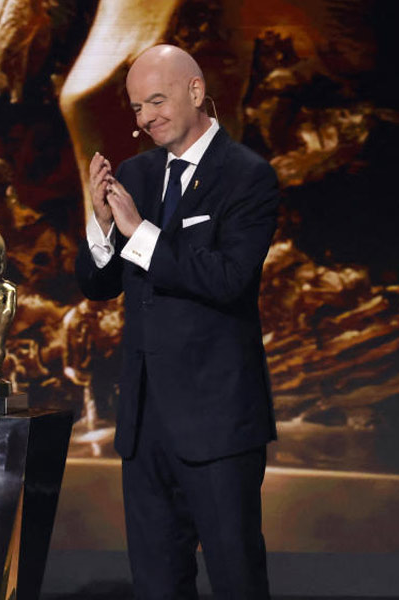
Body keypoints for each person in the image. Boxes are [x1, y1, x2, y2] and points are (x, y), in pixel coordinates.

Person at [74, 45, 278, 598]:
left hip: (218, 424)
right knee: (157, 585)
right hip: (144, 428)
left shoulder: (248, 176)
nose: (145, 118)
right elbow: (99, 286)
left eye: (156, 101)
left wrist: (140, 232)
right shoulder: (137, 174)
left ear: (195, 91)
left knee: (236, 580)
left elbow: (228, 278)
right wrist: (100, 227)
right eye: (137, 107)